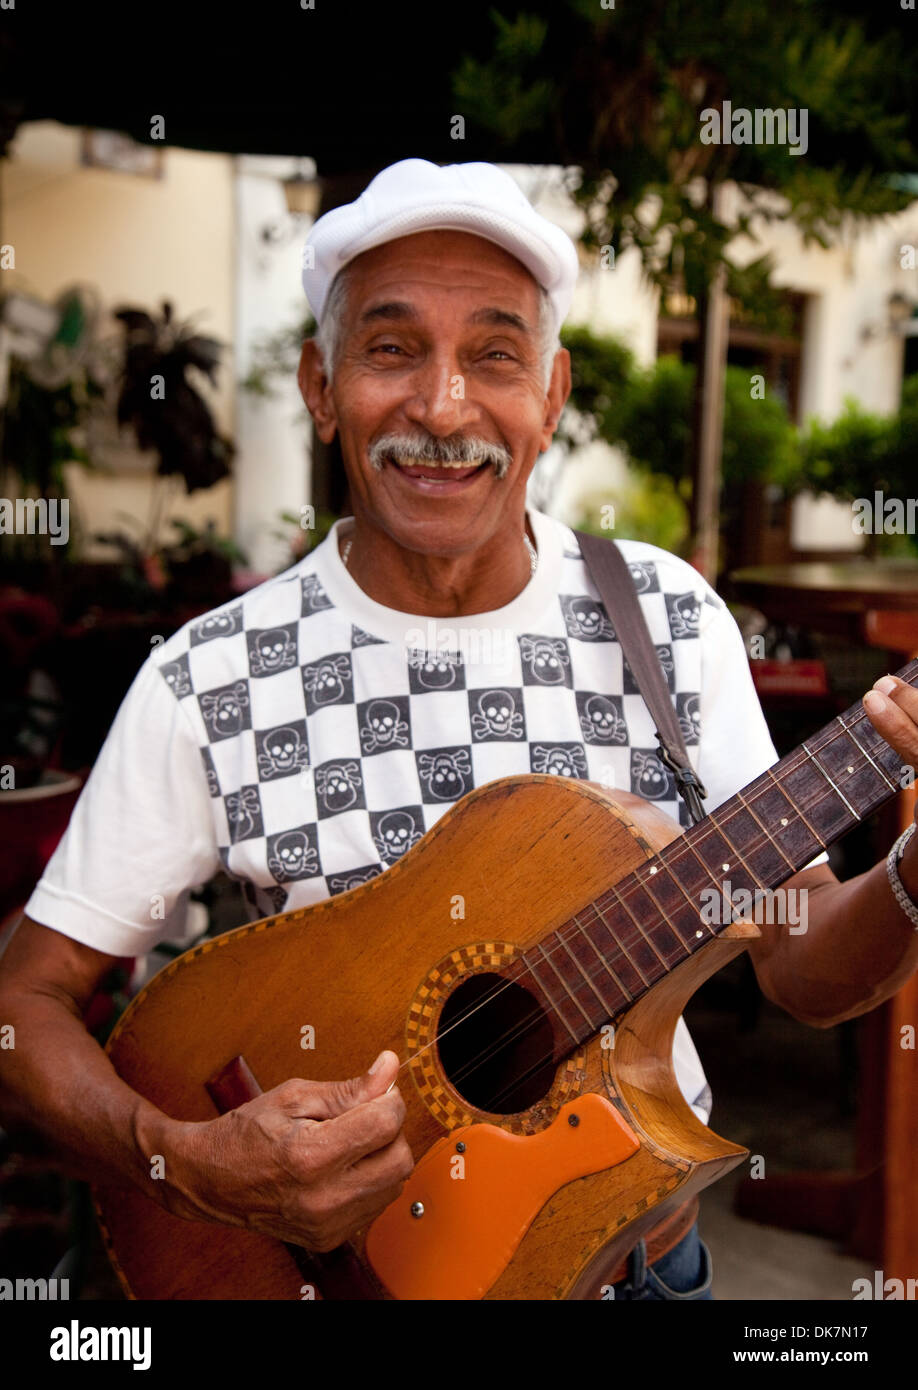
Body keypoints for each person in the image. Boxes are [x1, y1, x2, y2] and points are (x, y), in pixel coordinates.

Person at [1, 159, 917, 1301]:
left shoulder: (672, 620)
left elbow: (800, 958)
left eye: (495, 353)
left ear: (553, 392)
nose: (443, 409)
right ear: (321, 386)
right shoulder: (212, 673)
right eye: (391, 350)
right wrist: (181, 1159)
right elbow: (22, 1002)